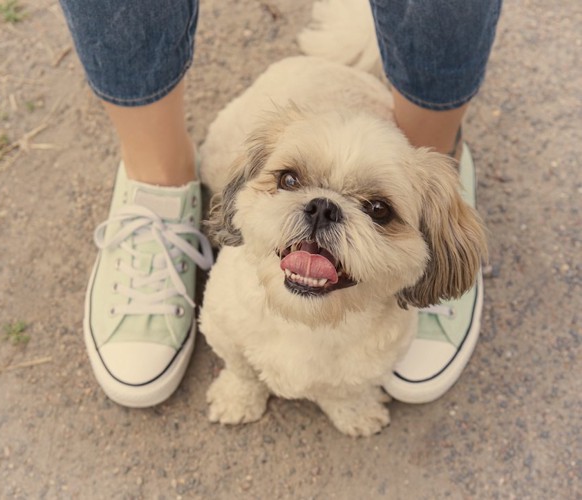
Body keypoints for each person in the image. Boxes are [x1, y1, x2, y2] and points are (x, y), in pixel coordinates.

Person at [58, 0, 501, 408]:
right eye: (290, 180)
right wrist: (243, 382)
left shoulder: (392, 323)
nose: (321, 211)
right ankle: (159, 179)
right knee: (217, 161)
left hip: (373, 323)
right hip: (274, 117)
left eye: (378, 210)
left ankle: (441, 147)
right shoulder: (231, 302)